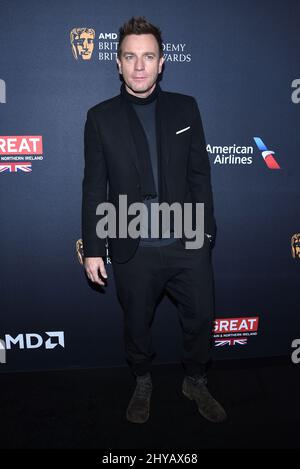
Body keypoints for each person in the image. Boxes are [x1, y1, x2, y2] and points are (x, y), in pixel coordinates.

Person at [82, 16, 227, 424]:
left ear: (162, 63)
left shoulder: (186, 107)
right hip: (131, 245)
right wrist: (93, 248)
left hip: (187, 242)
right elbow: (94, 188)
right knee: (136, 327)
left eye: (148, 57)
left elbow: (200, 174)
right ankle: (142, 379)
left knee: (201, 319)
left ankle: (195, 380)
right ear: (118, 62)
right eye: (131, 56)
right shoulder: (100, 117)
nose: (140, 66)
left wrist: (206, 231)